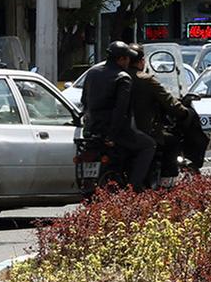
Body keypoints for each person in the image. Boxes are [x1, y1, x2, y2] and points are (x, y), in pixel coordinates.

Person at [81, 41, 155, 190]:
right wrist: (112, 136)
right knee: (149, 144)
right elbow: (121, 110)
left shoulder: (92, 72)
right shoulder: (123, 77)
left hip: (92, 129)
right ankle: (135, 187)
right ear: (121, 59)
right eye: (127, 58)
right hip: (114, 131)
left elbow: (84, 101)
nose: (129, 62)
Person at [124, 46, 190, 188]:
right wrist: (184, 112)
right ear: (142, 61)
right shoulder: (146, 80)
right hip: (143, 130)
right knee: (172, 142)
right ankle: (165, 183)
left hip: (117, 129)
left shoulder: (117, 76)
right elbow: (169, 101)